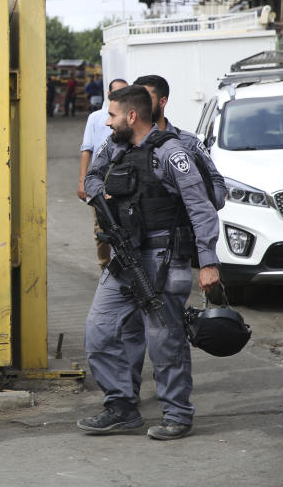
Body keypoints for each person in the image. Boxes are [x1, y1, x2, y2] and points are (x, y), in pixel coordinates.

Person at [79, 85, 220, 440]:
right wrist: (103, 195)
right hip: (123, 259)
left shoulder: (172, 153)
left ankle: (177, 414)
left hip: (162, 259)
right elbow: (91, 179)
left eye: (111, 116)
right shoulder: (114, 149)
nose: (106, 123)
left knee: (165, 341)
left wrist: (208, 261)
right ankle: (122, 407)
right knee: (97, 332)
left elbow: (202, 206)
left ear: (132, 116)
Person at [132, 74, 226, 209]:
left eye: (144, 99)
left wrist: (203, 208)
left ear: (162, 101)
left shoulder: (188, 142)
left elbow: (216, 181)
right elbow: (93, 177)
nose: (138, 105)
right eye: (135, 100)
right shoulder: (120, 143)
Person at [77, 78, 128, 268]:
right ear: (108, 94)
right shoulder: (96, 118)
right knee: (101, 227)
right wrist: (83, 181)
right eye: (117, 92)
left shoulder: (131, 118)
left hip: (124, 181)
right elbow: (86, 150)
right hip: (100, 182)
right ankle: (105, 265)